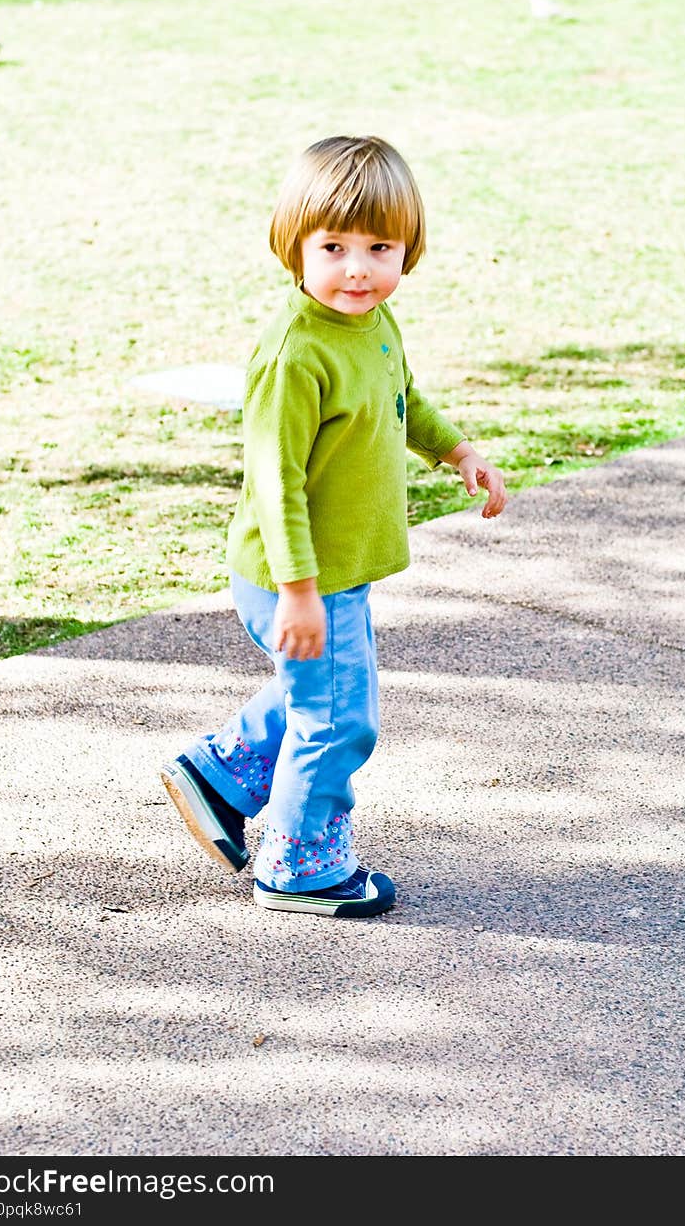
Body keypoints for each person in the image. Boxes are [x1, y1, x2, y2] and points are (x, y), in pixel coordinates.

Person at [161, 135, 507, 917]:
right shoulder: (295, 354)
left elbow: (404, 395)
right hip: (296, 575)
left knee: (318, 692)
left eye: (380, 247)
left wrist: (458, 450)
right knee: (340, 714)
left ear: (407, 248)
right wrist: (299, 591)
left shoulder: (374, 323)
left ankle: (219, 774)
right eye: (335, 247)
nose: (359, 268)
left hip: (335, 572)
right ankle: (300, 862)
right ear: (296, 247)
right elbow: (274, 481)